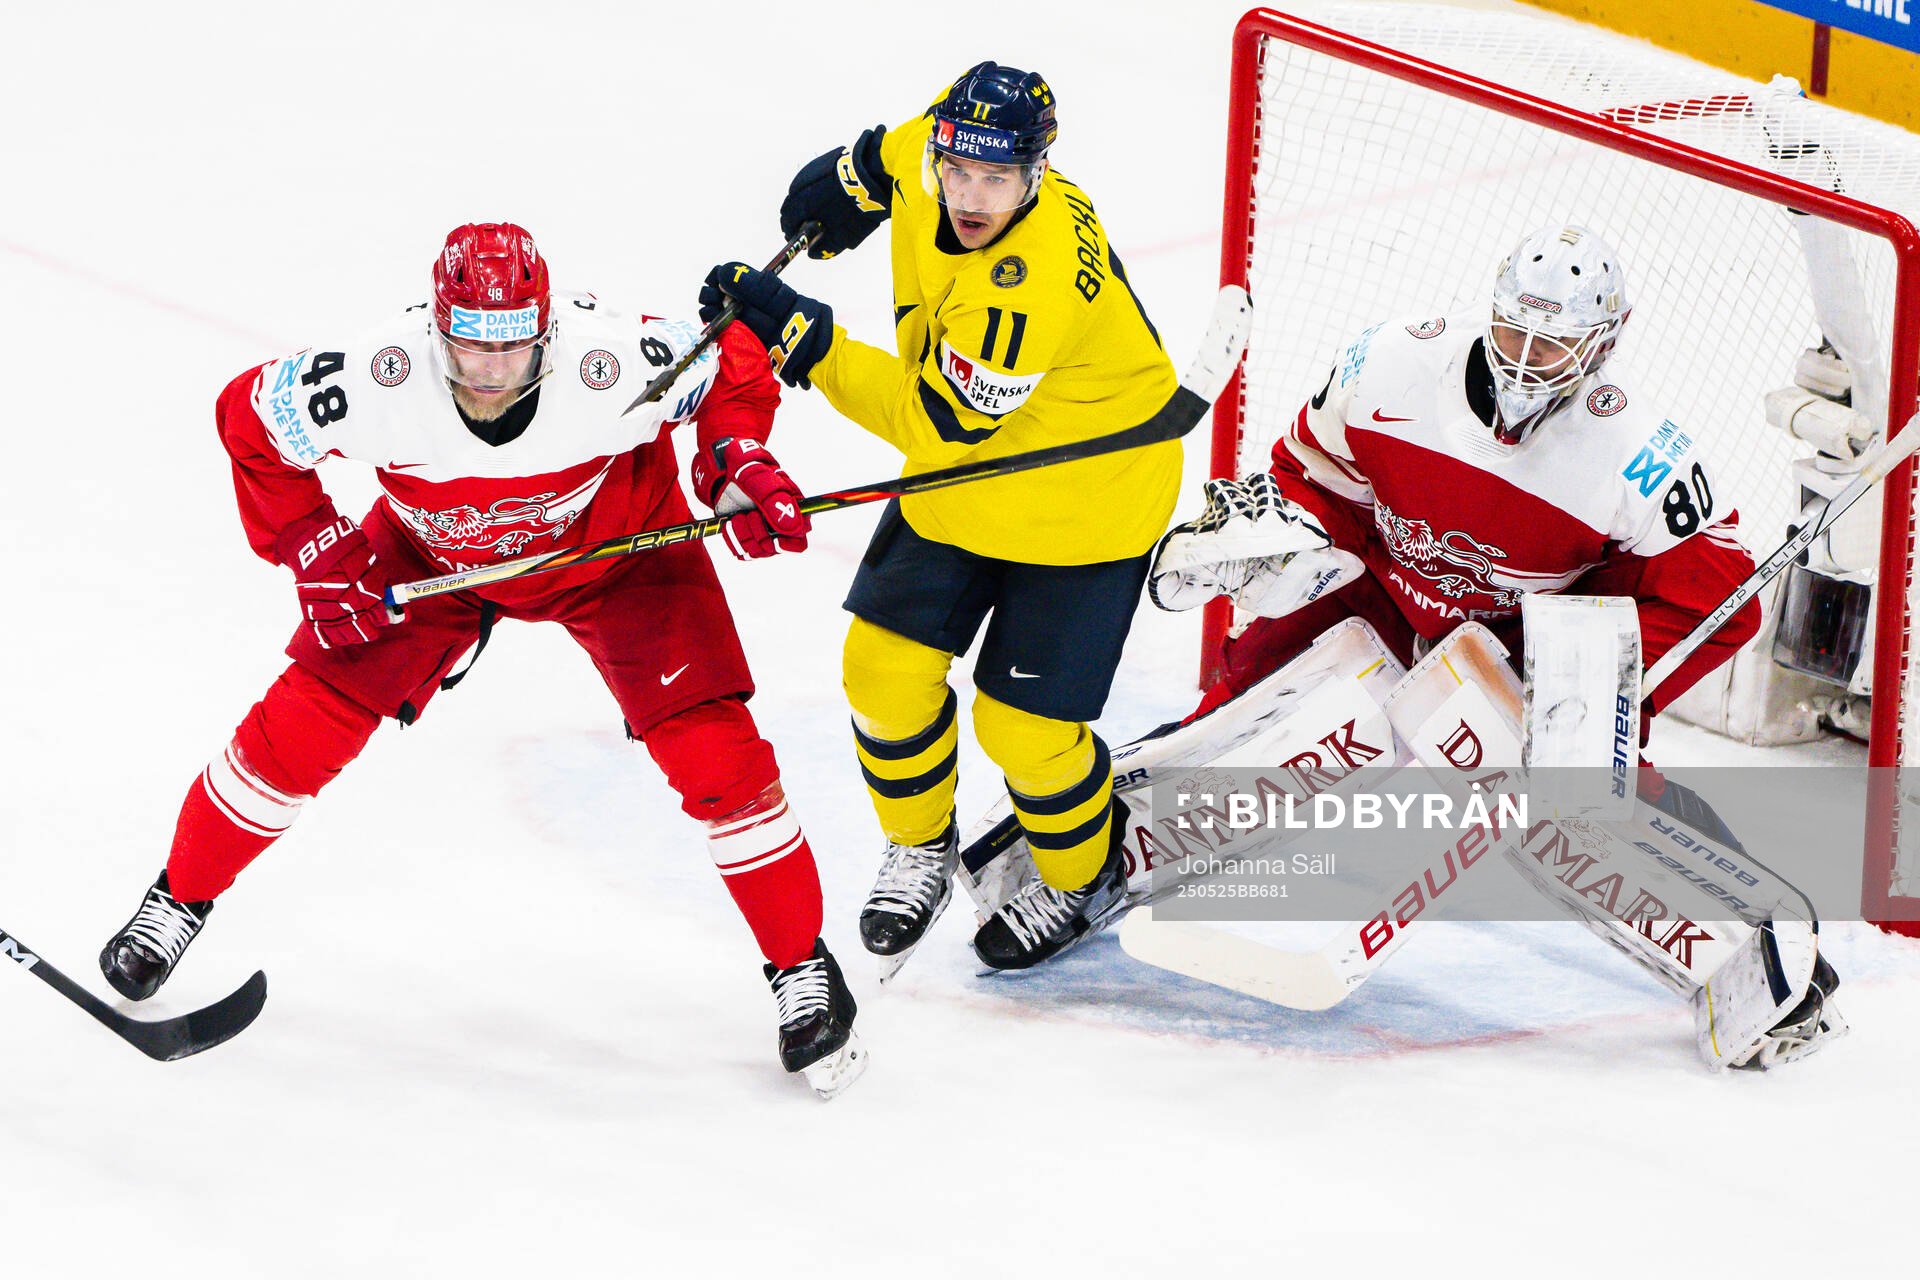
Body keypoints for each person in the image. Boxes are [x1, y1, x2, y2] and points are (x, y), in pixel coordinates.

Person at [97, 223, 864, 1097]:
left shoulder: (613, 358)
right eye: (470, 346)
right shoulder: (373, 376)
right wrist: (314, 545)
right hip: (433, 558)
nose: (491, 373)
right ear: (436, 328)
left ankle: (800, 966)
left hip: (619, 552)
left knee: (717, 759)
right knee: (298, 728)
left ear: (545, 329)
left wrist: (737, 465)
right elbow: (247, 418)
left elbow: (733, 357)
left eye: (512, 348)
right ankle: (179, 897)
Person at [699, 62, 1182, 973]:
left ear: (1038, 173)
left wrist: (808, 344)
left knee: (1023, 730)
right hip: (974, 485)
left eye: (996, 181)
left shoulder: (1027, 286)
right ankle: (918, 845)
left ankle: (1085, 876)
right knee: (880, 671)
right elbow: (901, 150)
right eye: (958, 172)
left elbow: (939, 426)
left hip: (1087, 497)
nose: (969, 194)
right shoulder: (944, 146)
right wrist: (855, 174)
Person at [1150, 223, 1763, 726]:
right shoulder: (1391, 364)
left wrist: (1591, 686)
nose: (1525, 361)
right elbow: (1313, 479)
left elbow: (1725, 607)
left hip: (1514, 657)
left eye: (1550, 345)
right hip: (1383, 598)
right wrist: (1290, 540)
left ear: (1603, 343)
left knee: (1537, 808)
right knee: (1238, 702)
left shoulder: (1639, 455)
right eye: (1513, 331)